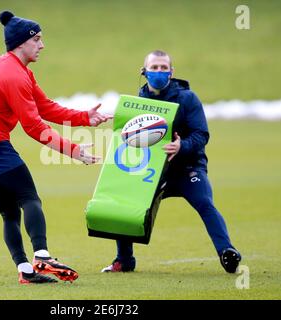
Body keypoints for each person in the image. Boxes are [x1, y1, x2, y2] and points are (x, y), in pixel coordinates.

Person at [0, 10, 112, 285]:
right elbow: (34, 127)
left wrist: (84, 117)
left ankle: (26, 270)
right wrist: (73, 151)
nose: (42, 45)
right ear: (21, 42)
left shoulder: (14, 69)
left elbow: (45, 107)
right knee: (30, 198)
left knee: (10, 211)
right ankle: (42, 256)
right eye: (37, 39)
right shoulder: (13, 75)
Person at [101, 50, 241, 274]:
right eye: (154, 67)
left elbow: (201, 135)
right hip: (153, 171)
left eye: (163, 68)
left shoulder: (187, 98)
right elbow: (127, 140)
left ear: (171, 71)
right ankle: (124, 260)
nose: (159, 72)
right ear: (144, 71)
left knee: (205, 203)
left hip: (187, 168)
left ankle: (227, 252)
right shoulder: (138, 102)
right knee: (125, 202)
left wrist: (181, 146)